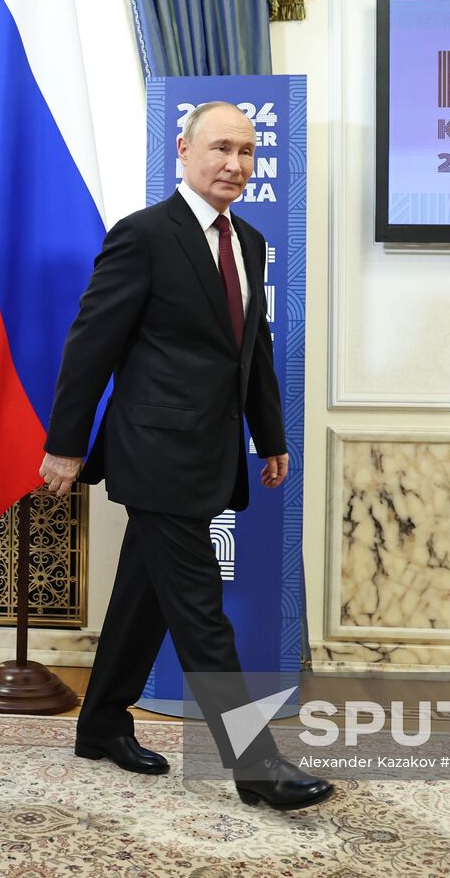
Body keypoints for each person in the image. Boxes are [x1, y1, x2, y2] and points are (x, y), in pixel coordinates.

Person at [40, 101, 333, 811]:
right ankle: (254, 762)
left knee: (145, 593)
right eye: (220, 148)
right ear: (184, 149)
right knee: (203, 610)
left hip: (212, 451)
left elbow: (250, 348)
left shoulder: (251, 239)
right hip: (155, 453)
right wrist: (65, 444)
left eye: (247, 152)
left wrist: (271, 435)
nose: (235, 164)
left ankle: (101, 721)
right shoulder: (143, 236)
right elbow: (91, 344)